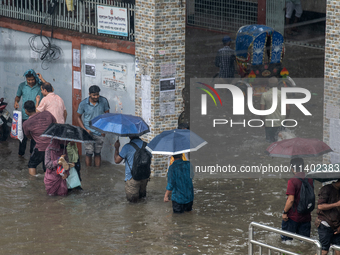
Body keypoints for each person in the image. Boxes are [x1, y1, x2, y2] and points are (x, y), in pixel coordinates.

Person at [76, 85, 110, 167]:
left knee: (98, 153)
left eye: (97, 94)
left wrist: (104, 130)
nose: (96, 97)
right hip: (88, 132)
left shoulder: (104, 101)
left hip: (100, 132)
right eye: (94, 95)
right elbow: (78, 117)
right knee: (89, 153)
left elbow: (107, 116)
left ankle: (97, 172)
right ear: (89, 94)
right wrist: (84, 130)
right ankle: (89, 172)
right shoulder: (83, 103)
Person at [281, 158, 314, 241]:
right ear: (303, 167)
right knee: (304, 243)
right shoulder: (310, 180)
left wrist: (284, 212)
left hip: (293, 217)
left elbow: (291, 200)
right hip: (306, 217)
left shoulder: (292, 181)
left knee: (286, 242)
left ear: (292, 168)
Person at [14, 69, 45, 156]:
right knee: (23, 136)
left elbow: (50, 88)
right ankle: (21, 154)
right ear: (26, 79)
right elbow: (17, 97)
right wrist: (16, 102)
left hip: (37, 115)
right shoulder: (22, 86)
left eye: (32, 79)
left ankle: (33, 153)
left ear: (35, 78)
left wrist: (42, 79)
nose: (30, 81)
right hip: (25, 114)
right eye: (28, 80)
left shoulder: (40, 86)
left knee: (35, 136)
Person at [22, 100, 56, 176]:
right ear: (35, 107)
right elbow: (55, 124)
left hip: (40, 147)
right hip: (53, 146)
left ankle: (33, 182)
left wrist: (35, 137)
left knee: (32, 164)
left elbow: (28, 136)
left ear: (26, 111)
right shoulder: (47, 114)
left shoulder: (26, 123)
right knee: (47, 167)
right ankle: (47, 182)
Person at [114, 136, 150, 202]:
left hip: (132, 179)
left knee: (132, 205)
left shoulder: (127, 147)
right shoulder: (147, 145)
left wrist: (116, 148)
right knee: (143, 200)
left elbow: (117, 161)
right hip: (145, 177)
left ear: (130, 136)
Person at [260, 77, 290, 143]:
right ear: (277, 84)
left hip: (269, 123)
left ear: (268, 85)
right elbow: (288, 108)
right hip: (280, 122)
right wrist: (286, 119)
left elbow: (262, 112)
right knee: (281, 142)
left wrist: (263, 122)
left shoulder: (264, 95)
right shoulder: (282, 94)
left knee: (269, 143)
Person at [316, 179, 340, 255]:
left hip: (337, 224)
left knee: (338, 249)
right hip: (325, 223)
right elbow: (320, 206)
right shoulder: (326, 189)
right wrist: (336, 204)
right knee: (323, 250)